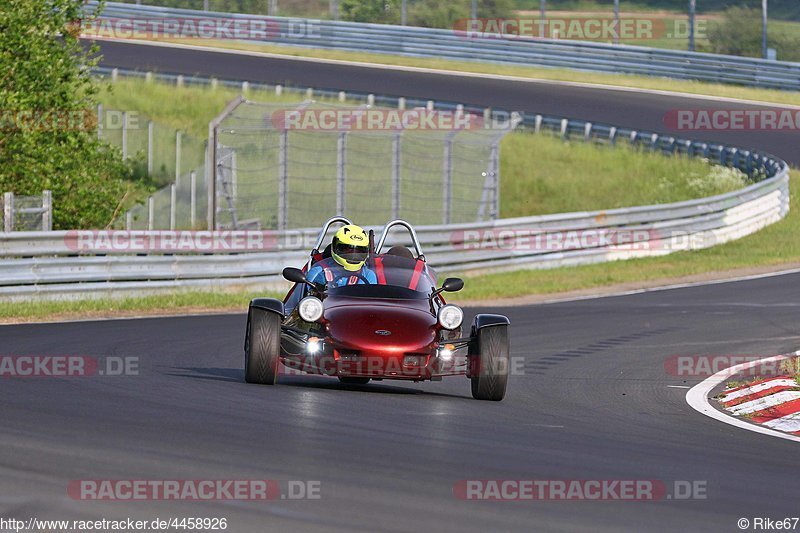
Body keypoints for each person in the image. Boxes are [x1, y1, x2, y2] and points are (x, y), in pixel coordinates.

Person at [307, 224, 377, 287]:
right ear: (335, 248)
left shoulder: (368, 275)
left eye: (359, 252)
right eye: (348, 250)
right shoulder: (319, 272)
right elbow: (309, 298)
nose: (353, 256)